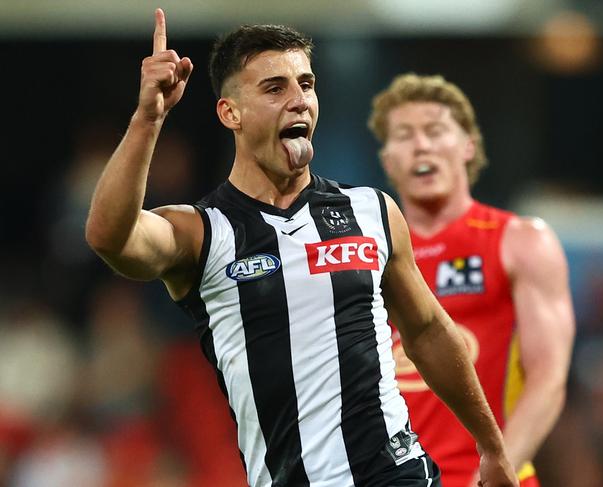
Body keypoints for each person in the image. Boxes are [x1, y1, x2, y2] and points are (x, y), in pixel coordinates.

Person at [85, 9, 519, 487]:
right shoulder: (202, 232)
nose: (299, 101)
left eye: (306, 84)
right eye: (275, 89)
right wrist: (149, 117)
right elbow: (109, 236)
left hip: (400, 475)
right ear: (231, 112)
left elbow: (430, 332)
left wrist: (492, 447)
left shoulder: (371, 211)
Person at [368, 73, 575, 487]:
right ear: (388, 160)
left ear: (468, 147)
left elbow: (548, 379)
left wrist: (497, 472)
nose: (421, 145)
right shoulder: (369, 259)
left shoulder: (519, 241)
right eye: (404, 135)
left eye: (435, 130)